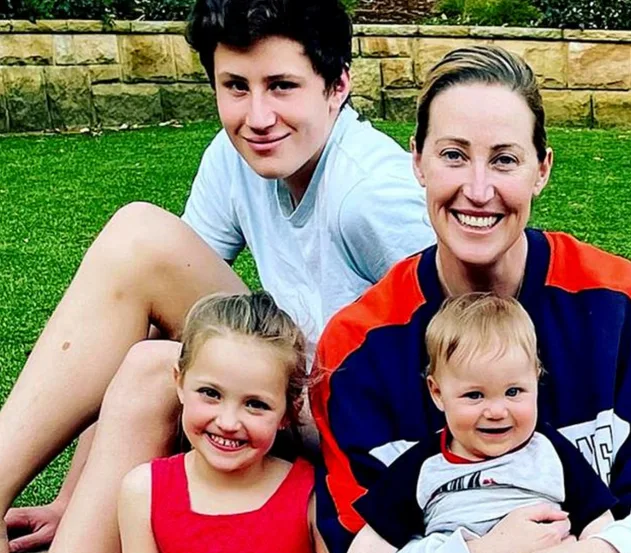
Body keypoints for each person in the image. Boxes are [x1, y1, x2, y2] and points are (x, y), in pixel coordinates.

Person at [0, 0, 433, 549]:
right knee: (150, 356)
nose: (258, 117)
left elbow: (466, 339)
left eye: (281, 86)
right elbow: (145, 315)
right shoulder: (236, 156)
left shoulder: (371, 192)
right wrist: (77, 498)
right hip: (274, 394)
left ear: (337, 85)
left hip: (359, 428)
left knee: (142, 244)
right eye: (235, 87)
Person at [312, 44, 631, 553]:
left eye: (504, 160)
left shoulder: (624, 307)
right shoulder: (357, 351)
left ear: (542, 169)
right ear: (418, 161)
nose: (478, 189)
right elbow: (354, 537)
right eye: (453, 155)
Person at [348, 293, 617, 553]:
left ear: (536, 380)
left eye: (513, 391)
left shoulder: (550, 450)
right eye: (474, 395)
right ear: (437, 393)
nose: (497, 411)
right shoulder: (422, 465)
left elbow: (599, 522)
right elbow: (370, 543)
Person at [118, 291, 323, 553]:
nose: (228, 422)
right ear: (180, 383)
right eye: (211, 393)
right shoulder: (143, 492)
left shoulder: (313, 497)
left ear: (289, 411)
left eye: (256, 404)